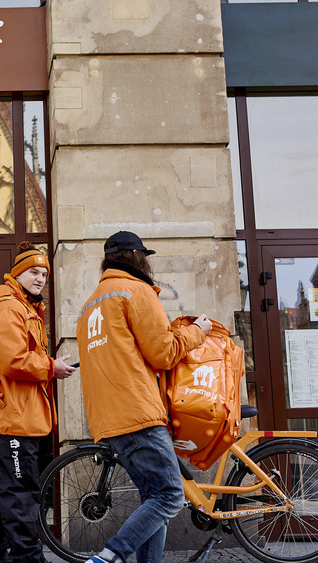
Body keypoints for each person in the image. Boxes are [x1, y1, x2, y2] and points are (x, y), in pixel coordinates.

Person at [75, 231, 211, 563]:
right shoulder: (136, 291)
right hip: (137, 411)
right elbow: (163, 353)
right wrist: (197, 331)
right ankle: (110, 556)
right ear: (138, 258)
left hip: (108, 418)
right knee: (168, 496)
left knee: (153, 496)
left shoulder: (90, 304)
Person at [0, 242, 77, 563]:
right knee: (20, 494)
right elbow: (13, 361)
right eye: (34, 272)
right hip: (12, 417)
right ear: (18, 273)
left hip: (16, 415)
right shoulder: (9, 308)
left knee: (0, 493)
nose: (40, 278)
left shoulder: (26, 308)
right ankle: (28, 559)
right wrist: (52, 366)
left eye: (44, 274)